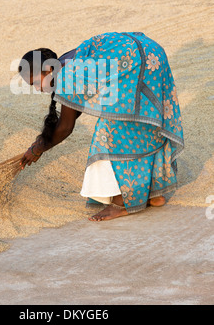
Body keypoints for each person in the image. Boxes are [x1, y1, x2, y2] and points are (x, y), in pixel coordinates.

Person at [18, 32, 184, 221]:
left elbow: (65, 127)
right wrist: (41, 142)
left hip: (137, 61)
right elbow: (74, 109)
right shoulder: (63, 62)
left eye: (36, 82)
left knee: (110, 131)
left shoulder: (66, 76)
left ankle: (121, 203)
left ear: (47, 70)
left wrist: (38, 149)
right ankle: (154, 194)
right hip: (151, 52)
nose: (38, 88)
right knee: (143, 120)